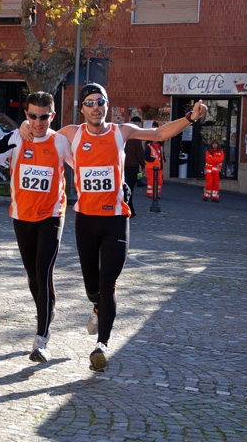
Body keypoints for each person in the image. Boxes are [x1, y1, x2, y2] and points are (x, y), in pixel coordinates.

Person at [20, 82, 207, 371]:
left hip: (117, 219)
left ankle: (101, 346)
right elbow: (41, 128)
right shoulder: (72, 133)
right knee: (92, 287)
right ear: (82, 109)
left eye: (100, 102)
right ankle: (96, 306)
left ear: (107, 106)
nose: (96, 107)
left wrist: (190, 118)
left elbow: (159, 133)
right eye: (90, 103)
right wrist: (24, 124)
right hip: (85, 221)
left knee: (109, 284)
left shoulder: (122, 131)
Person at [0, 92, 72, 364]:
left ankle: (41, 339)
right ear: (26, 115)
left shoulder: (60, 142)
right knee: (33, 275)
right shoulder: (17, 139)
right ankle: (47, 310)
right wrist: (7, 139)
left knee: (43, 272)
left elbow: (84, 166)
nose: (38, 122)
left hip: (52, 215)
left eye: (43, 117)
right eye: (32, 116)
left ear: (52, 116)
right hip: (22, 217)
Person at [124, 116, 145, 217]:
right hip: (133, 166)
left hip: (122, 166)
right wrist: (143, 164)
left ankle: (125, 207)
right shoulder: (136, 138)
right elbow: (139, 153)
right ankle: (129, 208)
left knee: (122, 188)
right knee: (130, 189)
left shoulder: (122, 135)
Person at [144, 121, 166, 198]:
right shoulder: (149, 146)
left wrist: (163, 160)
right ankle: (150, 194)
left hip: (159, 167)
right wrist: (153, 160)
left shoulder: (160, 146)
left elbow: (162, 155)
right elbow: (146, 156)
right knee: (151, 181)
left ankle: (157, 194)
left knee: (159, 181)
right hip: (151, 167)